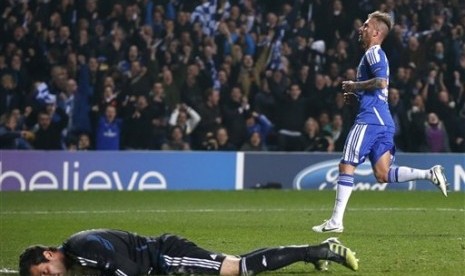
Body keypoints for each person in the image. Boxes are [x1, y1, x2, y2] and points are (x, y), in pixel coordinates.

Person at [312, 11, 449, 234]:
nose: (361, 29)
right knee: (383, 174)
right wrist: (355, 95)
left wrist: (354, 86)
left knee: (346, 165)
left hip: (370, 120)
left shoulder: (373, 53)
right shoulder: (374, 55)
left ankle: (336, 221)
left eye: (365, 26)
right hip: (383, 120)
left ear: (376, 32)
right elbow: (376, 87)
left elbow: (382, 82)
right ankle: (429, 174)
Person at [19, 229, 358, 276]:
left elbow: (130, 273)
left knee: (237, 269)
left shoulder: (84, 251)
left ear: (49, 255)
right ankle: (311, 253)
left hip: (168, 259)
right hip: (161, 262)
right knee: (235, 264)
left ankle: (316, 249)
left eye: (46, 275)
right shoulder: (78, 254)